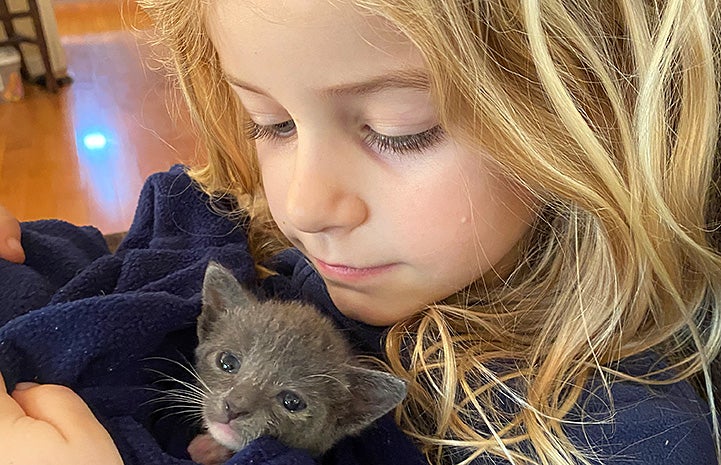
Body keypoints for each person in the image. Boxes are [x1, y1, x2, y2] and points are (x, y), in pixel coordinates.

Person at [0, 0, 720, 464]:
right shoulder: (301, 249)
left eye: (398, 130)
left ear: (598, 117)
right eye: (271, 122)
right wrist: (28, 241)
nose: (304, 204)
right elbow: (130, 267)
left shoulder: (611, 434)